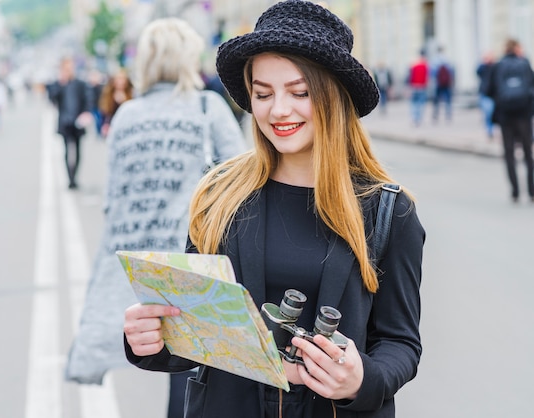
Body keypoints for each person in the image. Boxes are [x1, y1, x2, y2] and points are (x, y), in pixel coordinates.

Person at [123, 1, 425, 418]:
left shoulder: (391, 209)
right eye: (263, 93)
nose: (278, 110)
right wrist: (150, 340)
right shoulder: (219, 193)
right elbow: (197, 334)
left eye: (299, 92)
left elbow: (401, 343)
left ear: (333, 95)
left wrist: (361, 380)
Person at [64, 18, 247, 418]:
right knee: (192, 371)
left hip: (144, 263)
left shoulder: (127, 115)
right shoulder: (205, 106)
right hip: (192, 260)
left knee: (156, 351)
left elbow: (113, 200)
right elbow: (242, 179)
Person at [482, 39, 534, 203]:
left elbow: (487, 89)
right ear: (517, 48)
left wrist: (501, 100)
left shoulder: (498, 66)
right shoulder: (524, 64)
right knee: (527, 152)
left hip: (505, 116)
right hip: (524, 115)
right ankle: (532, 191)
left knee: (509, 153)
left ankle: (515, 192)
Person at [46, 57, 94, 189]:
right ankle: (70, 178)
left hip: (78, 121)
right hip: (65, 121)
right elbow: (52, 98)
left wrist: (86, 113)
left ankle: (75, 176)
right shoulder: (58, 84)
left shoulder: (80, 84)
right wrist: (61, 83)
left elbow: (88, 99)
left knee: (78, 150)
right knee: (67, 150)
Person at [97, 68, 134, 138]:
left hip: (127, 126)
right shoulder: (108, 95)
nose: (121, 82)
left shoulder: (131, 94)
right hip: (112, 126)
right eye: (119, 79)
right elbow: (104, 111)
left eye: (122, 79)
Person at [431, 46, 454, 122]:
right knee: (448, 100)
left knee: (436, 100)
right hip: (446, 83)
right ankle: (448, 115)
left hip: (438, 83)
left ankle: (436, 115)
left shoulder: (435, 60)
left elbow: (432, 73)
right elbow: (451, 71)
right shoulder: (447, 59)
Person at [476, 52, 496, 139]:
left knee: (492, 112)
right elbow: (477, 72)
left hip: (493, 93)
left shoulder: (495, 67)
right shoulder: (482, 67)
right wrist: (483, 63)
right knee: (487, 112)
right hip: (484, 92)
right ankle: (489, 130)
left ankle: (492, 130)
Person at [408, 49, 429, 126]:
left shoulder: (414, 64)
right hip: (422, 87)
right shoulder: (426, 65)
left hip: (414, 86)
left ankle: (414, 118)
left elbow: (411, 77)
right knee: (421, 103)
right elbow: (427, 77)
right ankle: (419, 118)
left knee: (413, 103)